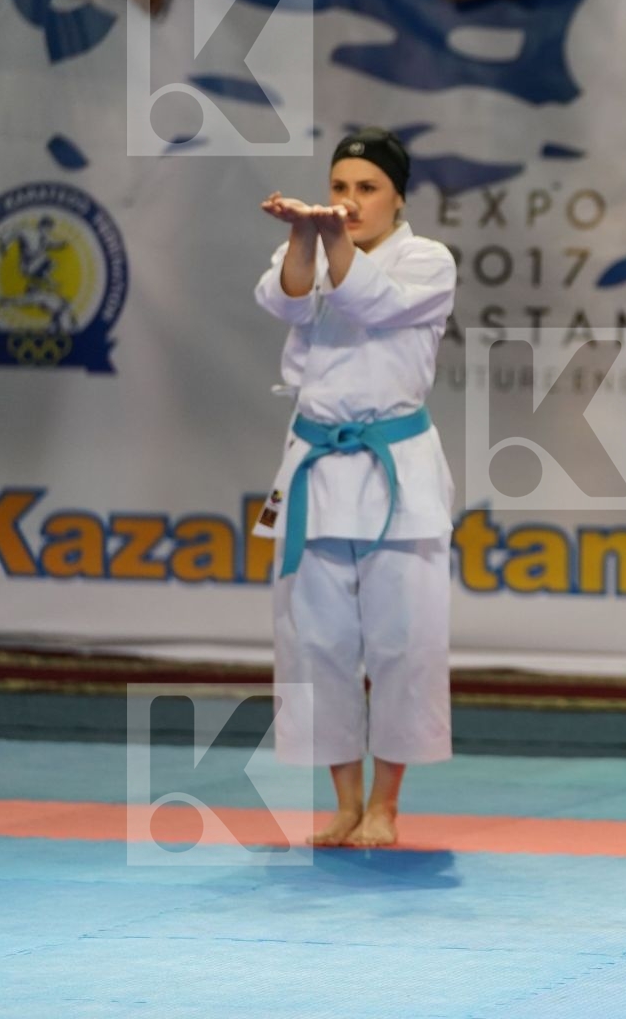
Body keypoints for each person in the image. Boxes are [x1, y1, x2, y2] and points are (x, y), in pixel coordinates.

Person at [253, 128, 457, 849]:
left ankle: (387, 804)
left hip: (397, 474)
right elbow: (283, 299)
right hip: (315, 469)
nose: (349, 202)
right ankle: (344, 801)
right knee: (320, 645)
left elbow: (371, 304)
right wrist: (306, 239)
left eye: (366, 189)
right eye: (339, 187)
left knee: (404, 645)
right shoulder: (303, 248)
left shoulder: (427, 261)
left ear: (398, 196)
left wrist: (327, 237)